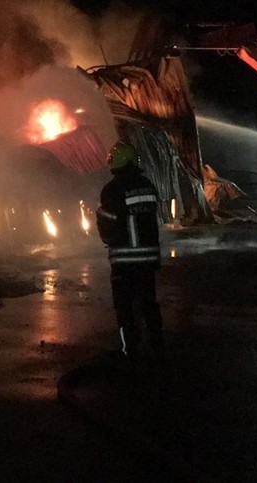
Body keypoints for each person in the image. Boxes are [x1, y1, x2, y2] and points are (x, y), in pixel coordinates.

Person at [96, 140, 164, 367]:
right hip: (149, 259)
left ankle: (129, 353)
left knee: (125, 308)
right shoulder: (148, 186)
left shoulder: (112, 190)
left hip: (125, 260)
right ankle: (157, 348)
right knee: (149, 305)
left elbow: (107, 227)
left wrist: (109, 236)